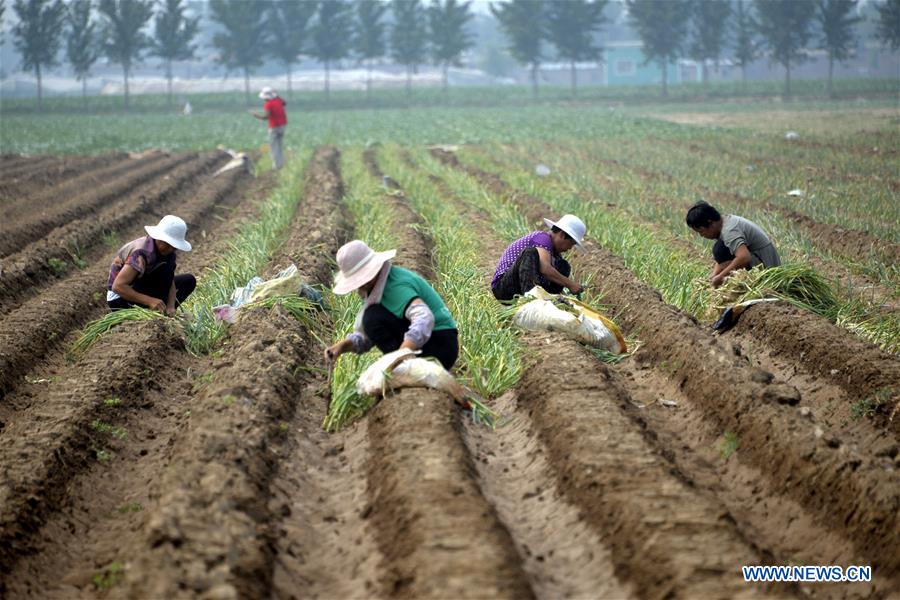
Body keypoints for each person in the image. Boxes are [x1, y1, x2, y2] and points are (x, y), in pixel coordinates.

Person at [324, 240, 459, 371]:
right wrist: (341, 347)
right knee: (372, 318)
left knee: (372, 317)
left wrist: (399, 357)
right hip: (433, 343)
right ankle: (404, 365)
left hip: (441, 345)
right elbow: (368, 336)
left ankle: (404, 366)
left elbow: (425, 318)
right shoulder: (376, 289)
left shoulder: (395, 285)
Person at [107, 215, 195, 314]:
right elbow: (118, 286)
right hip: (120, 299)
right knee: (159, 277)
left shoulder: (168, 252)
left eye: (174, 246)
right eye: (168, 244)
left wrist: (171, 305)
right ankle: (154, 309)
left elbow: (169, 280)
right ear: (159, 238)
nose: (171, 249)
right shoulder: (141, 253)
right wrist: (150, 301)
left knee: (188, 280)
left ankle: (166, 312)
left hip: (143, 287)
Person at [686, 200, 781, 288]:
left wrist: (721, 277)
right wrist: (713, 277)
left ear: (711, 223)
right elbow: (721, 259)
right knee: (720, 250)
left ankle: (751, 284)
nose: (702, 236)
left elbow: (744, 257)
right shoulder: (723, 223)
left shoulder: (730, 231)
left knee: (721, 250)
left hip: (767, 269)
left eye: (701, 231)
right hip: (759, 259)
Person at [491, 214, 586, 301]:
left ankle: (547, 303)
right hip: (504, 288)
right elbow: (545, 269)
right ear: (562, 235)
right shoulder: (542, 238)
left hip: (521, 288)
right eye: (571, 244)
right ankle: (532, 301)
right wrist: (570, 284)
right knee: (530, 252)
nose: (570, 248)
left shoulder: (555, 254)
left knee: (563, 266)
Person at [250, 86, 287, 170]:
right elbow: (285, 103)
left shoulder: (268, 104)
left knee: (273, 146)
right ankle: (281, 164)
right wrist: (276, 95)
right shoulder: (278, 100)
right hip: (282, 125)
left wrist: (255, 114)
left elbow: (266, 117)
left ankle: (276, 166)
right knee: (279, 145)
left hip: (274, 127)